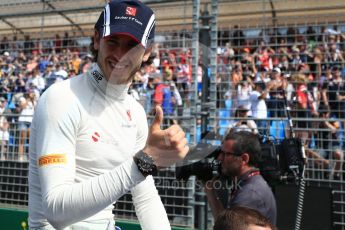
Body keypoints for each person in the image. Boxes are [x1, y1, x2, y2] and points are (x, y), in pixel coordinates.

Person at [28, 1, 189, 230]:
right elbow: (56, 211)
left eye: (132, 45)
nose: (121, 54)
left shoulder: (135, 113)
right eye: (112, 41)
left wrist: (143, 165)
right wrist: (142, 163)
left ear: (148, 52)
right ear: (96, 39)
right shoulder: (61, 98)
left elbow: (146, 199)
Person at [205, 131, 277, 225]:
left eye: (226, 154)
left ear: (244, 159)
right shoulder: (248, 183)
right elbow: (224, 223)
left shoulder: (250, 194)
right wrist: (209, 189)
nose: (219, 158)